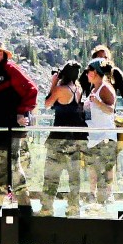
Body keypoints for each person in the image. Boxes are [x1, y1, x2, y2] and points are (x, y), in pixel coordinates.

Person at [0, 40, 38, 210]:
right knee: (2, 165)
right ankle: (0, 206)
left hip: (11, 127)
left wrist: (21, 112)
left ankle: (18, 206)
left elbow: (32, 90)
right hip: (0, 127)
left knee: (11, 165)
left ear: (0, 53)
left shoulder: (10, 69)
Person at [39, 61, 85, 216]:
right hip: (74, 138)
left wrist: (53, 83)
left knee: (51, 174)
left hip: (58, 137)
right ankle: (73, 206)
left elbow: (47, 104)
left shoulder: (60, 89)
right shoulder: (78, 89)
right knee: (74, 175)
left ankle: (47, 207)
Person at [84, 58, 119, 212]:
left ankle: (104, 200)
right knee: (93, 168)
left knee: (104, 169)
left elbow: (111, 110)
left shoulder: (105, 88)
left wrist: (97, 103)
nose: (86, 74)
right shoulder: (94, 89)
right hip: (94, 136)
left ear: (96, 72)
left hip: (105, 136)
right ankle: (95, 199)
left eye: (88, 71)